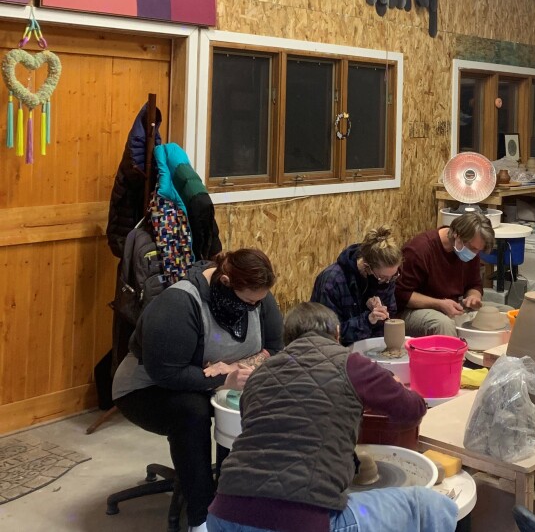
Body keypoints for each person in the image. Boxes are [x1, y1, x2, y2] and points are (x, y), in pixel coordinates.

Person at [206, 302, 458, 532]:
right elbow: (412, 411)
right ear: (337, 333)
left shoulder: (258, 376)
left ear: (287, 339)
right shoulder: (351, 363)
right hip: (297, 522)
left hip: (222, 515)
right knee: (427, 505)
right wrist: (394, 386)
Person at [112, 249, 284, 532]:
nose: (256, 308)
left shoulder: (257, 296)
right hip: (148, 388)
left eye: (259, 302)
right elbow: (168, 372)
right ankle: (201, 518)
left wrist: (232, 368)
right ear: (226, 282)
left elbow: (275, 348)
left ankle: (234, 501)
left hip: (209, 382)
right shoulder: (179, 304)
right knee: (192, 411)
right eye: (249, 302)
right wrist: (221, 380)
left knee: (254, 401)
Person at [395, 212, 495, 337]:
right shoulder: (419, 250)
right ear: (456, 235)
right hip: (413, 310)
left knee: (503, 312)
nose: (475, 253)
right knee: (443, 324)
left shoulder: (469, 248)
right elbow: (401, 294)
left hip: (450, 305)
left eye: (479, 250)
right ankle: (455, 356)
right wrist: (439, 304)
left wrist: (473, 297)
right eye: (473, 248)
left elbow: (474, 284)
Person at [311, 226, 402, 346]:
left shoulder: (387, 277)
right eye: (383, 277)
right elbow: (329, 335)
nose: (388, 282)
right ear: (367, 266)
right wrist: (367, 320)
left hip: (368, 348)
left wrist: (382, 313)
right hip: (333, 351)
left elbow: (389, 317)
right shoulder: (333, 281)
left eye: (393, 276)